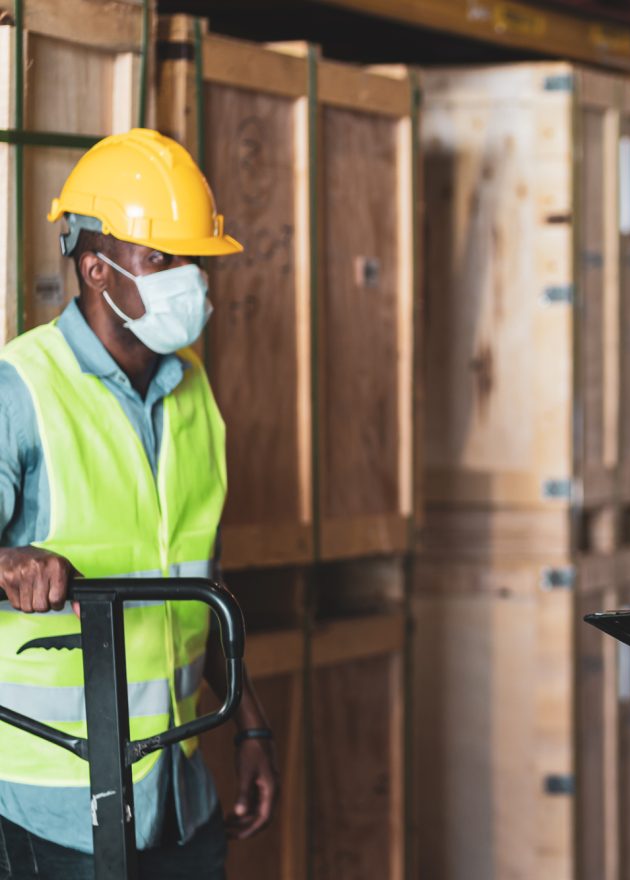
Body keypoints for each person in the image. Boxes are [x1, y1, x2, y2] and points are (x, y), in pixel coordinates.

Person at [0, 129, 278, 878]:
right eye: (163, 259)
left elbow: (202, 580)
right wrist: (8, 562)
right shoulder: (21, 389)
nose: (188, 279)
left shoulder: (194, 391)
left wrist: (250, 725)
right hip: (50, 803)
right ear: (97, 268)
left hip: (179, 787)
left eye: (193, 260)